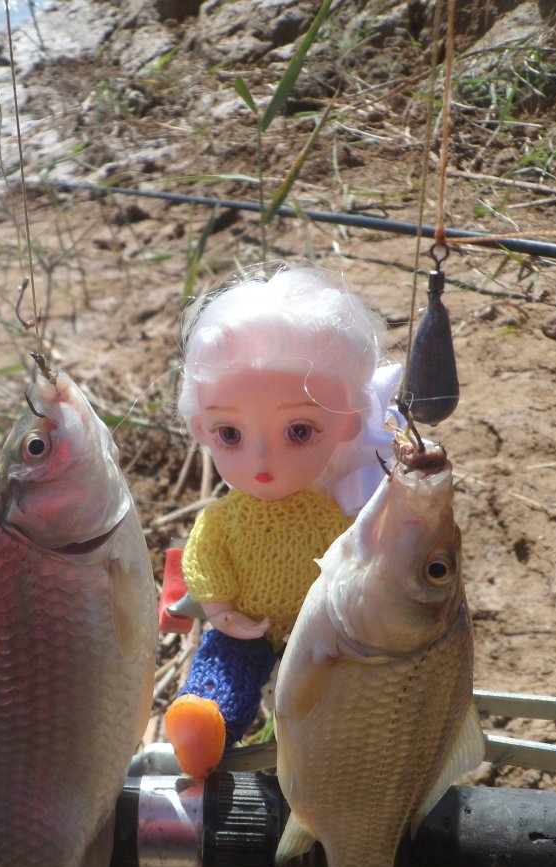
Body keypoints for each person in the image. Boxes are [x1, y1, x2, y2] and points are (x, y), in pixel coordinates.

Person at [164, 264, 401, 776]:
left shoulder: (337, 512)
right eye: (230, 434)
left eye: (299, 430)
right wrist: (220, 606)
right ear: (201, 427)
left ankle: (335, 746)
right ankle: (205, 721)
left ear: (349, 424)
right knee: (225, 667)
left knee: (335, 687)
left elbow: (355, 560)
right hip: (242, 624)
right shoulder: (226, 518)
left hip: (322, 628)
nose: (261, 461)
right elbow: (206, 554)